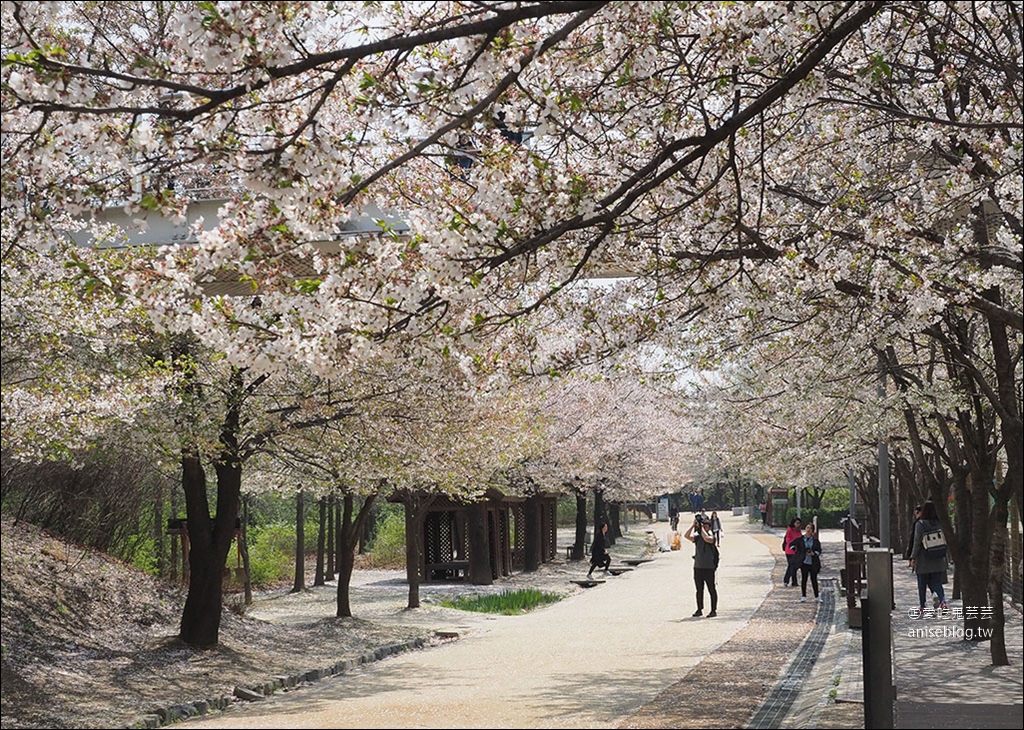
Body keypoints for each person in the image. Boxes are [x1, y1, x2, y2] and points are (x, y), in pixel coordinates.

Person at [910, 501, 948, 612]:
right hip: (938, 557)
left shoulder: (920, 524)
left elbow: (917, 542)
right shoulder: (940, 523)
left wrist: (913, 557)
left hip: (923, 559)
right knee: (937, 582)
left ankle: (923, 606)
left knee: (922, 584)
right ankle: (943, 601)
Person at [684, 513, 718, 617]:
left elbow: (707, 538)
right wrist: (693, 525)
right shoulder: (698, 537)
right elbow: (686, 536)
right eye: (703, 525)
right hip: (698, 567)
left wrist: (701, 527)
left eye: (706, 525)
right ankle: (699, 609)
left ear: (710, 527)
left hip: (709, 567)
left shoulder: (712, 537)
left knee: (711, 589)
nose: (704, 526)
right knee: (699, 590)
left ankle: (713, 610)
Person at [790, 522, 822, 602]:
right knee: (804, 579)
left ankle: (817, 596)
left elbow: (819, 550)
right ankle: (803, 596)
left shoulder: (815, 540)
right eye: (807, 528)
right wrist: (796, 551)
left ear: (813, 531)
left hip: (813, 562)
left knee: (814, 579)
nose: (808, 530)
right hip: (804, 562)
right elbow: (791, 544)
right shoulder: (801, 539)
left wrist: (813, 554)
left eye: (810, 528)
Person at [782, 517, 803, 587]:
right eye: (797, 523)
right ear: (793, 523)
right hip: (790, 551)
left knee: (795, 567)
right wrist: (793, 545)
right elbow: (788, 540)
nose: (798, 524)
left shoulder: (799, 531)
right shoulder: (790, 530)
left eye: (799, 523)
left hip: (797, 551)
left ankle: (794, 582)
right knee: (791, 566)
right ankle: (786, 580)